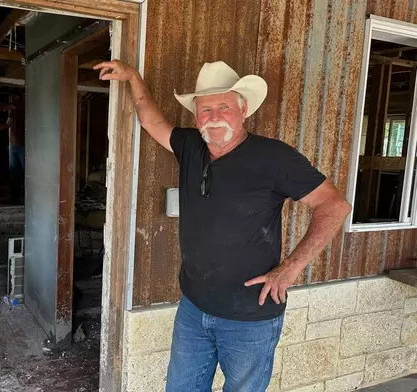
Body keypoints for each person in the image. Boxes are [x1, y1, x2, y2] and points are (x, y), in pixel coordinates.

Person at [93, 60, 352, 391]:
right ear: (196, 115)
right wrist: (132, 77)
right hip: (193, 307)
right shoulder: (190, 146)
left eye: (223, 107)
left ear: (243, 110)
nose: (213, 117)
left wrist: (289, 269)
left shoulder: (274, 158)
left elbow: (334, 204)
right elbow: (151, 120)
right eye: (205, 109)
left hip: (250, 317)